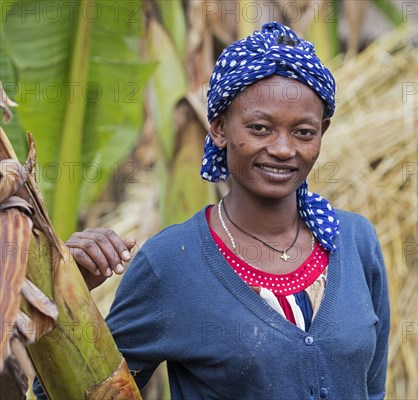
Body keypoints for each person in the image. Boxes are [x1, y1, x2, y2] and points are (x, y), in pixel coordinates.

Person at [35, 22, 389, 399]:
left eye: (303, 132)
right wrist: (67, 296)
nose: (284, 149)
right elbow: (76, 393)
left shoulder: (353, 241)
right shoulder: (172, 263)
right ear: (218, 128)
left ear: (323, 131)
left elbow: (373, 390)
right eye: (260, 128)